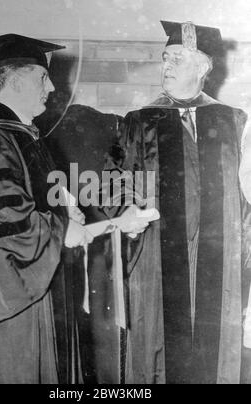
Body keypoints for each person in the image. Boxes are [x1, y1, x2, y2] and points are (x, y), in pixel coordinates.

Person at [105, 21, 247, 383]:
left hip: (216, 261)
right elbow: (113, 182)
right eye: (164, 58)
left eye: (176, 58)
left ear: (202, 67)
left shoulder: (233, 121)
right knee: (160, 355)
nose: (165, 65)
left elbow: (244, 197)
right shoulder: (139, 121)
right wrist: (128, 213)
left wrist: (244, 248)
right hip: (157, 256)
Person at [0, 33, 93, 384]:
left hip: (32, 281)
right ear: (17, 79)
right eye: (43, 77)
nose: (51, 87)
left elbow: (35, 201)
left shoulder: (24, 135)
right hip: (10, 294)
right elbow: (2, 220)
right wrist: (62, 229)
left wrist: (66, 213)